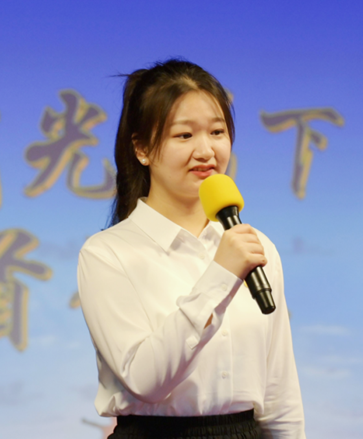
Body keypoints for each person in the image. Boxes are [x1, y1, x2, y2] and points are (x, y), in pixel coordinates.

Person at [77, 59, 305, 439]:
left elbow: (280, 395)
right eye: (184, 135)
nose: (206, 150)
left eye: (217, 132)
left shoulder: (256, 246)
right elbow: (144, 379)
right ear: (142, 148)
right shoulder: (107, 254)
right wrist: (220, 275)